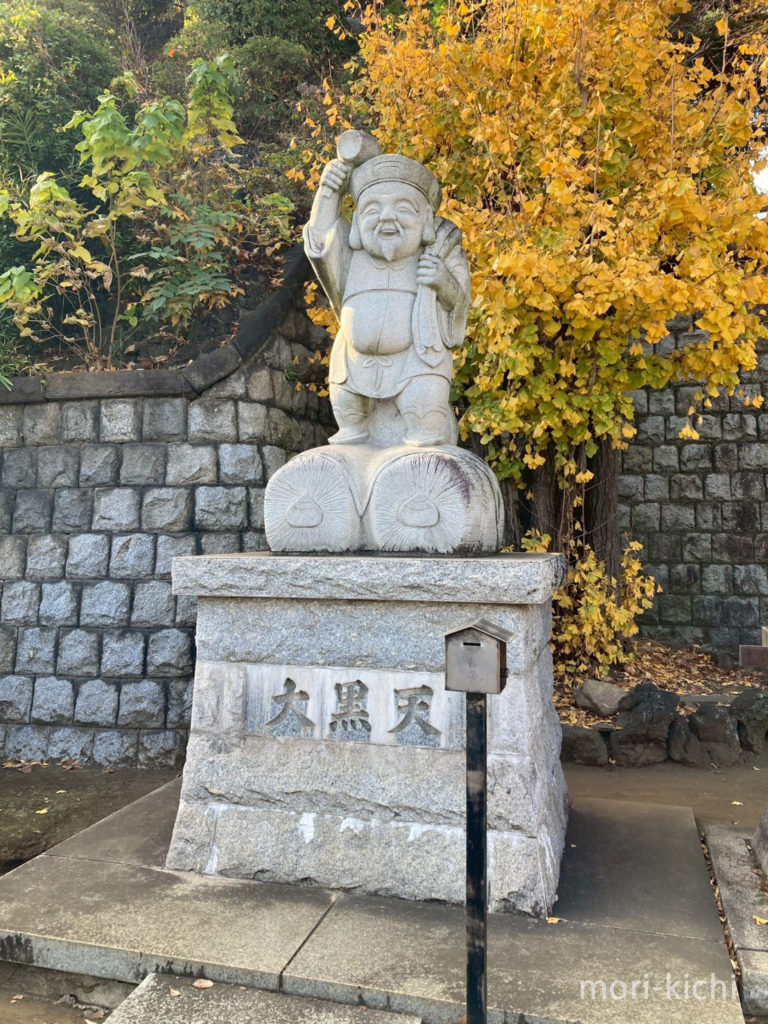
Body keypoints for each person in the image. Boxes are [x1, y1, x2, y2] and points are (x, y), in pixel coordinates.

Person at [303, 148, 471, 446]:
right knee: (350, 432)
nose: (386, 218)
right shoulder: (351, 258)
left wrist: (443, 282)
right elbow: (319, 238)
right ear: (355, 224)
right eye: (372, 210)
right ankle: (353, 434)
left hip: (418, 360)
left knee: (424, 426)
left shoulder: (438, 251)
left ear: (427, 224)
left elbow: (460, 304)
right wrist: (329, 191)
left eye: (404, 208)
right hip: (353, 363)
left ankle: (424, 438)